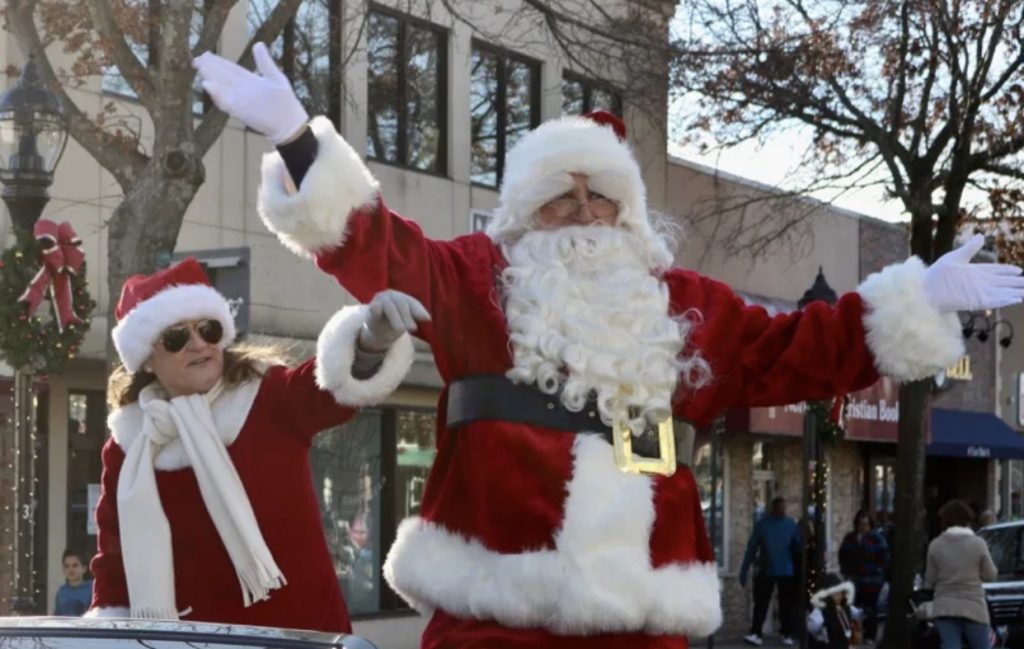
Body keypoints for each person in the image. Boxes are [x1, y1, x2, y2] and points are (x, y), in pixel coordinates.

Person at [194, 42, 1024, 649]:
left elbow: (800, 349)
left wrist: (919, 296)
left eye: (602, 199)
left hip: (643, 620)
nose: (585, 214)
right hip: (493, 617)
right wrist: (303, 144)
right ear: (524, 214)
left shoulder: (687, 308)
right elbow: (383, 248)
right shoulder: (481, 280)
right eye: (561, 197)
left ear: (630, 216)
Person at [87, 257, 426, 632]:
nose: (198, 344)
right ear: (147, 359)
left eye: (208, 329)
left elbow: (327, 392)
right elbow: (114, 557)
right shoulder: (129, 444)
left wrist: (368, 343)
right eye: (176, 337)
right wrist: (110, 628)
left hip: (297, 635)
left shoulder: (265, 395)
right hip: (194, 641)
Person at [924, 499, 998, 649]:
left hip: (945, 607)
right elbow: (990, 575)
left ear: (944, 520)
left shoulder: (935, 545)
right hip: (974, 607)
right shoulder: (978, 544)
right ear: (967, 520)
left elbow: (930, 580)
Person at [739, 497, 801, 646]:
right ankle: (756, 633)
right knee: (761, 602)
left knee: (786, 604)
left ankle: (786, 633)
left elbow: (797, 547)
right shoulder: (763, 525)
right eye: (779, 508)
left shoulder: (791, 525)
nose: (781, 511)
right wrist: (744, 569)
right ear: (773, 509)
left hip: (786, 569)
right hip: (767, 568)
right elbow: (752, 548)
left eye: (783, 508)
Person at [838, 510, 889, 645]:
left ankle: (870, 636)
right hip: (854, 580)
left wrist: (879, 572)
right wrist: (846, 572)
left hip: (872, 580)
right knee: (853, 608)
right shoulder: (850, 538)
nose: (863, 527)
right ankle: (855, 635)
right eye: (860, 524)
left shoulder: (877, 539)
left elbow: (883, 558)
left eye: (866, 524)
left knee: (870, 608)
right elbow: (843, 556)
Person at [807, 573, 863, 649]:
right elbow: (813, 628)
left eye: (841, 592)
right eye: (836, 593)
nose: (839, 595)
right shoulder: (821, 610)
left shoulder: (846, 607)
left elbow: (858, 614)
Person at [54, 549, 93, 616]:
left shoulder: (93, 589)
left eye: (75, 565)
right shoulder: (61, 592)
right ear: (63, 569)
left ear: (84, 569)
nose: (70, 570)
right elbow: (57, 617)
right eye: (67, 566)